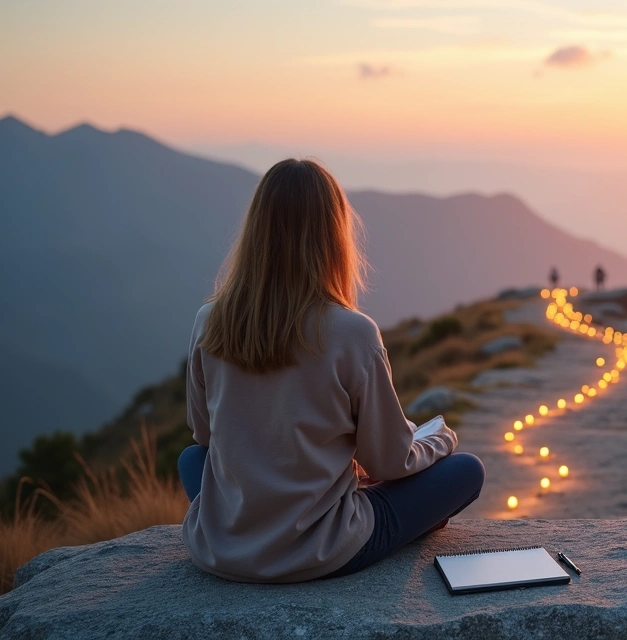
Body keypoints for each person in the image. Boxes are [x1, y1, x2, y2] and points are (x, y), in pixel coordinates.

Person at [177, 158, 484, 584]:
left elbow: (205, 437)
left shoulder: (209, 321)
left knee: (191, 459)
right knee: (467, 471)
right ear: (333, 234)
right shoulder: (352, 332)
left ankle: (249, 533)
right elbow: (388, 460)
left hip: (220, 547)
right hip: (318, 547)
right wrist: (439, 441)